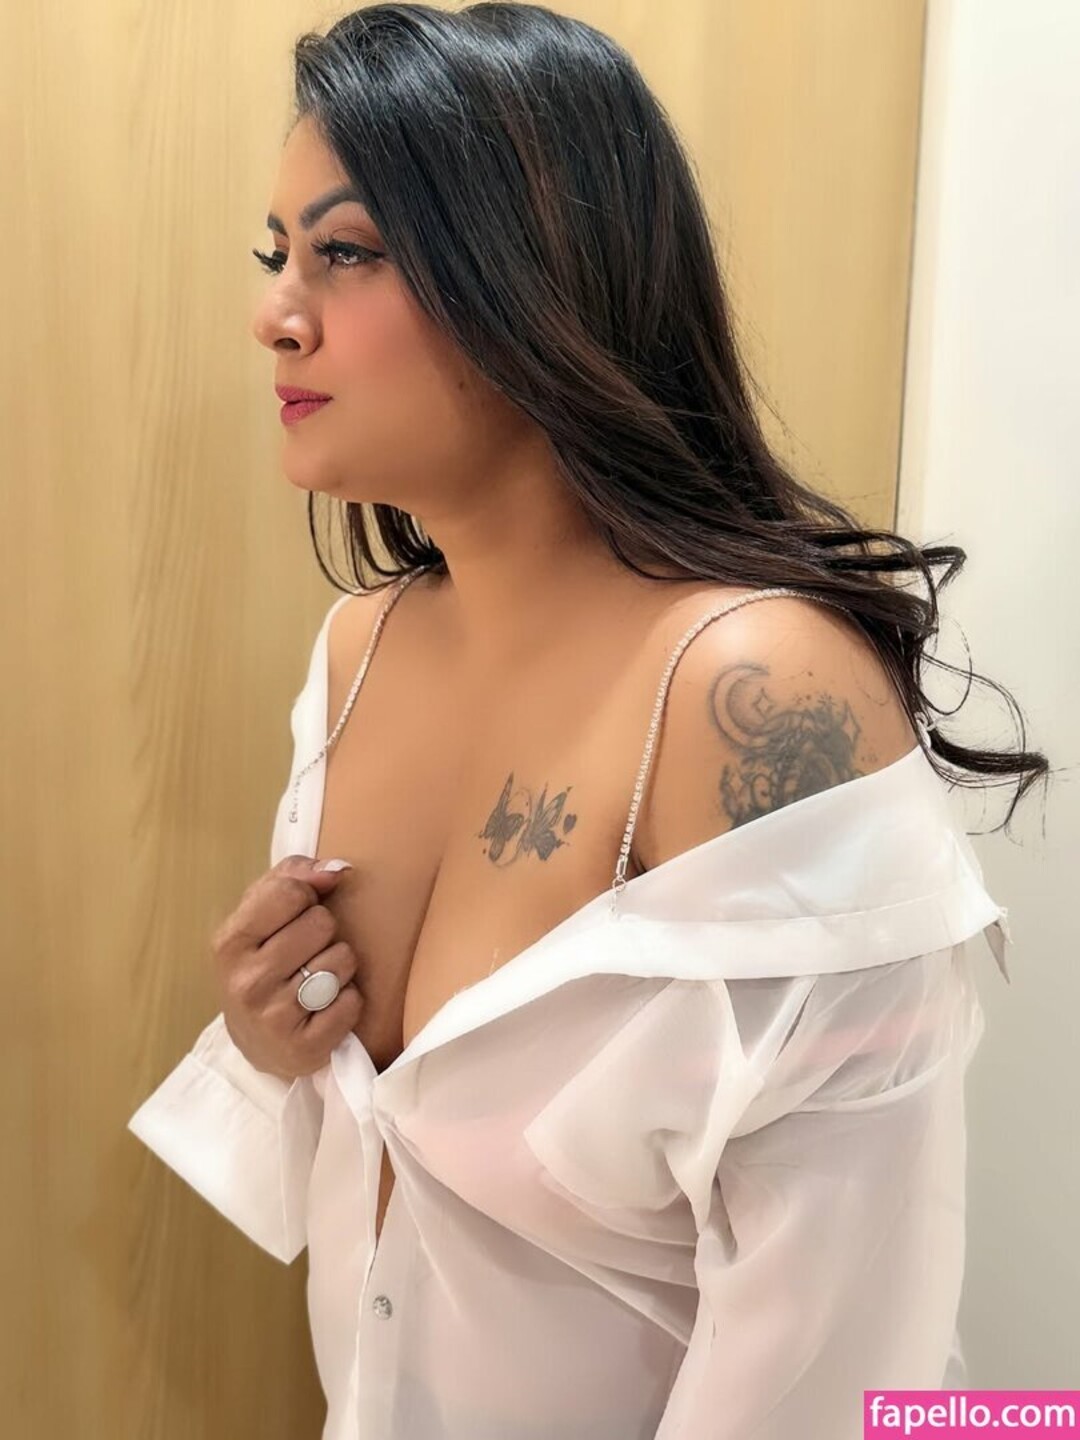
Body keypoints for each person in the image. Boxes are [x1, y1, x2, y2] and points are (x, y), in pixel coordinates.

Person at [127, 6, 1042, 1438]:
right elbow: (388, 1177)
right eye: (276, 256)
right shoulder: (360, 651)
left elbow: (845, 1347)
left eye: (345, 252)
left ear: (533, 275)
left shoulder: (753, 696)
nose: (276, 313)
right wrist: (272, 1039)